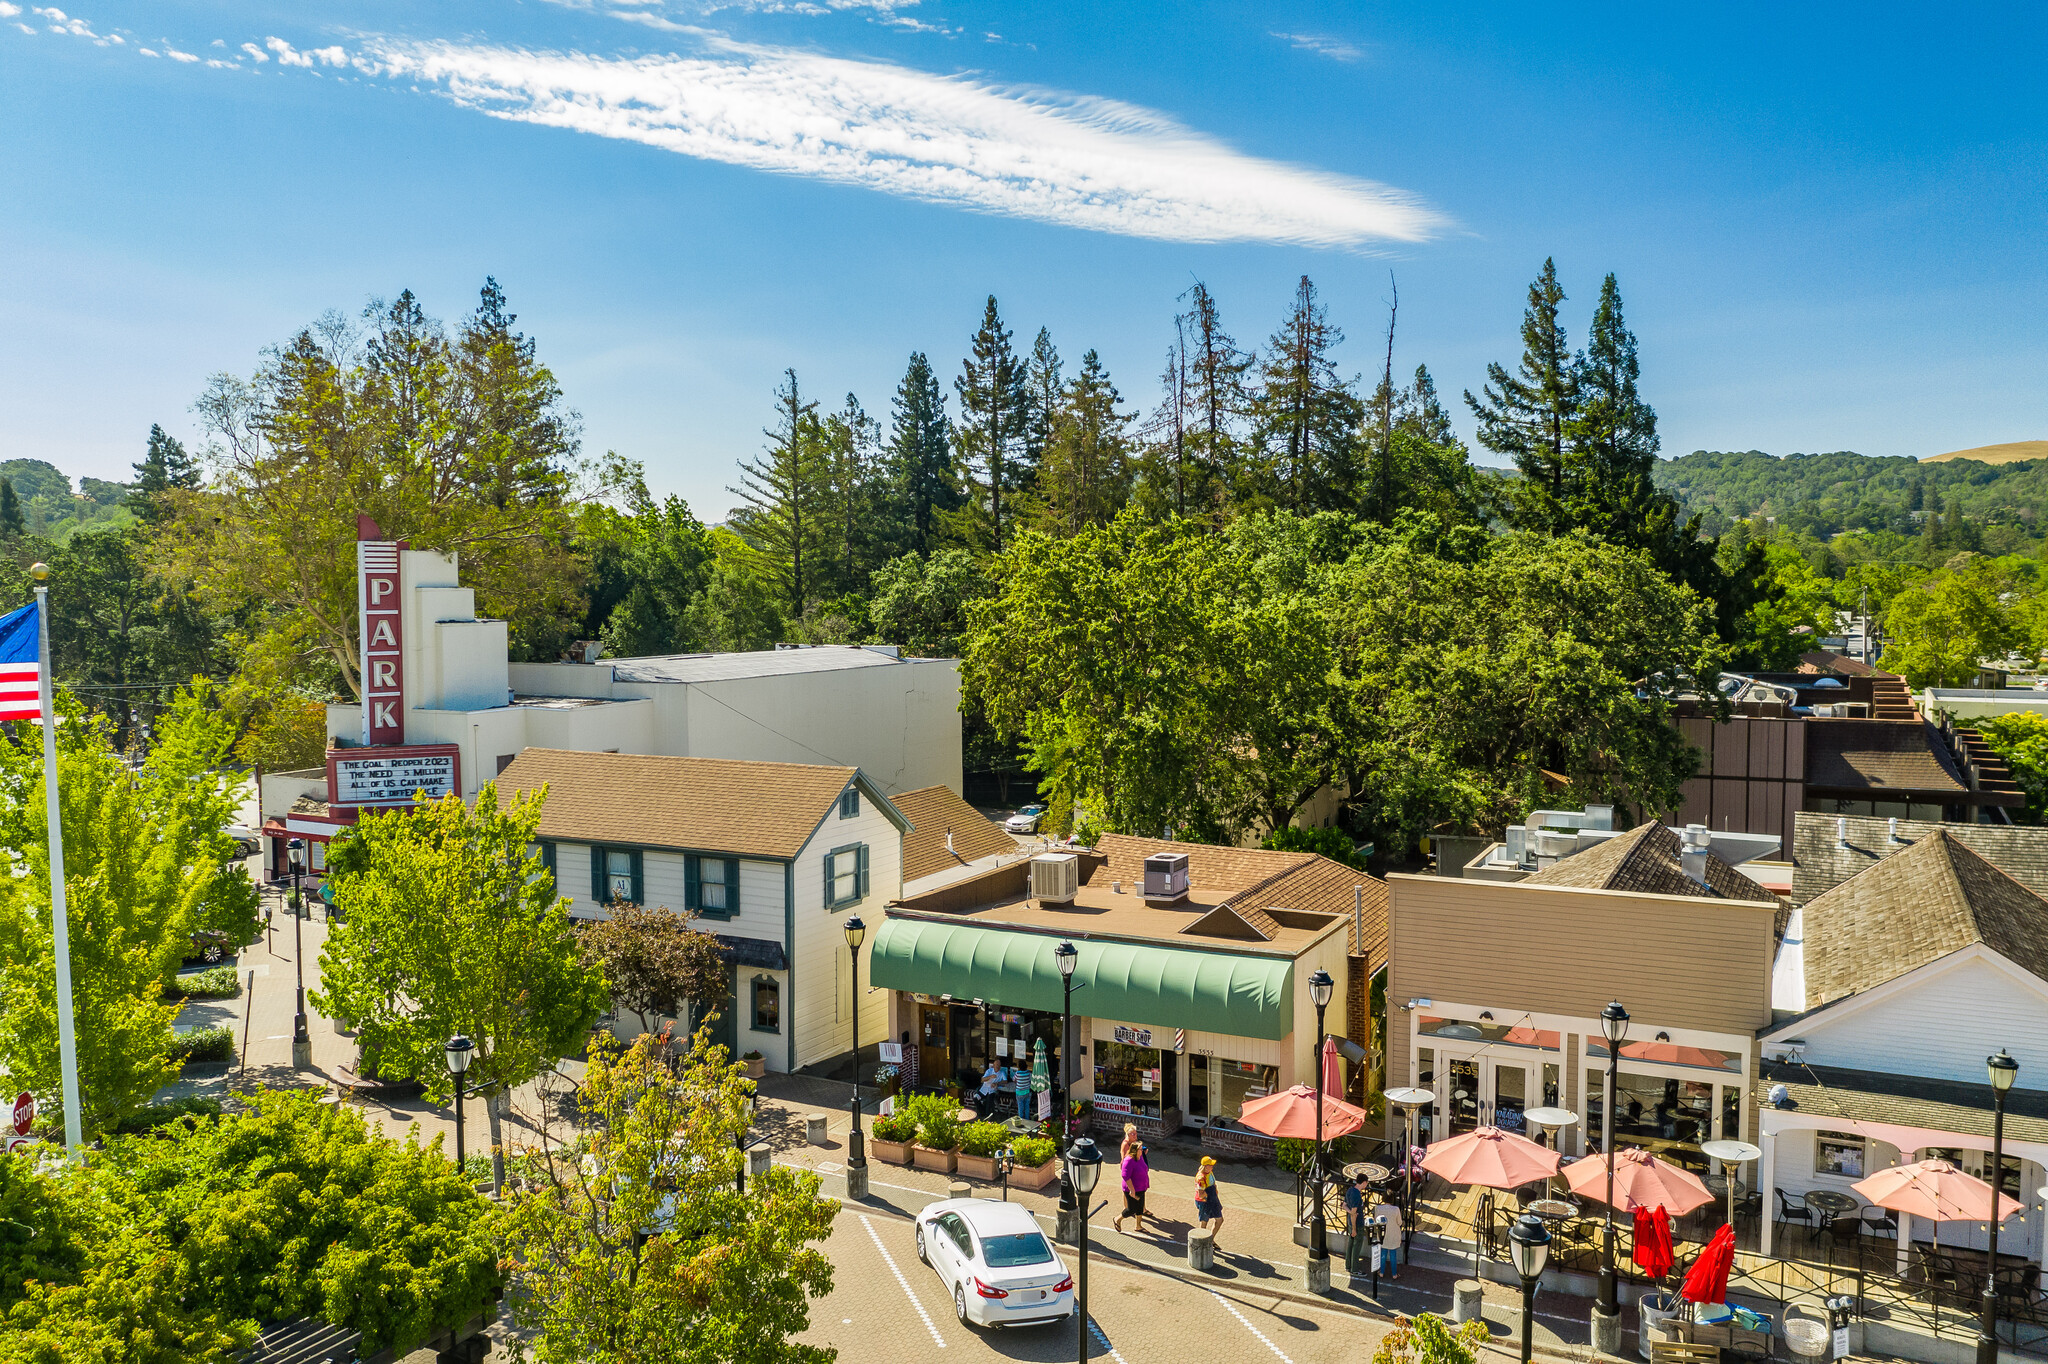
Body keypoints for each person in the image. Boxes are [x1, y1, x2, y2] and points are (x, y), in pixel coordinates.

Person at [1115, 1131, 1150, 1234]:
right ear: (1135, 1151)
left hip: (1141, 1187)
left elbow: (1144, 1169)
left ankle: (1138, 1226)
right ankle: (1117, 1219)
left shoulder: (1140, 1157)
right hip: (1132, 1189)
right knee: (1131, 1209)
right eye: (1140, 1149)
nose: (1142, 1150)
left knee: (1140, 1207)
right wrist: (1132, 1190)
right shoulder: (1128, 1160)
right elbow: (1125, 1176)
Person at [1342, 1171, 1369, 1272]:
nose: (1367, 1185)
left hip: (1350, 1222)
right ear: (1364, 1182)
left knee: (1350, 1244)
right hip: (1357, 1224)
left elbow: (1344, 1205)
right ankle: (1355, 1268)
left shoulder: (1350, 1190)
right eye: (1367, 1183)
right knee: (1356, 1246)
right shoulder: (1357, 1195)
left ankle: (1348, 1265)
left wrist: (1350, 1213)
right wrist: (1354, 1228)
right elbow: (1354, 1213)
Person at [1371, 1192, 1403, 1278]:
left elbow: (1376, 1220)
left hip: (1382, 1233)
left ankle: (1381, 1272)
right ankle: (1394, 1274)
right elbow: (1399, 1222)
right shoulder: (1396, 1209)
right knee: (1393, 1254)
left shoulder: (1378, 1208)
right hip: (1393, 1234)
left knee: (1383, 1253)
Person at [1195, 1156, 1224, 1248]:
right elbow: (1201, 1194)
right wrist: (1210, 1194)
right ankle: (1202, 1242)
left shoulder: (1209, 1172)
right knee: (1204, 1222)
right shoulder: (1201, 1178)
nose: (1212, 1167)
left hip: (1213, 1199)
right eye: (1211, 1165)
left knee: (1220, 1220)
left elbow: (1213, 1183)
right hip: (1205, 1202)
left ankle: (1210, 1239)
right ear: (1206, 1166)